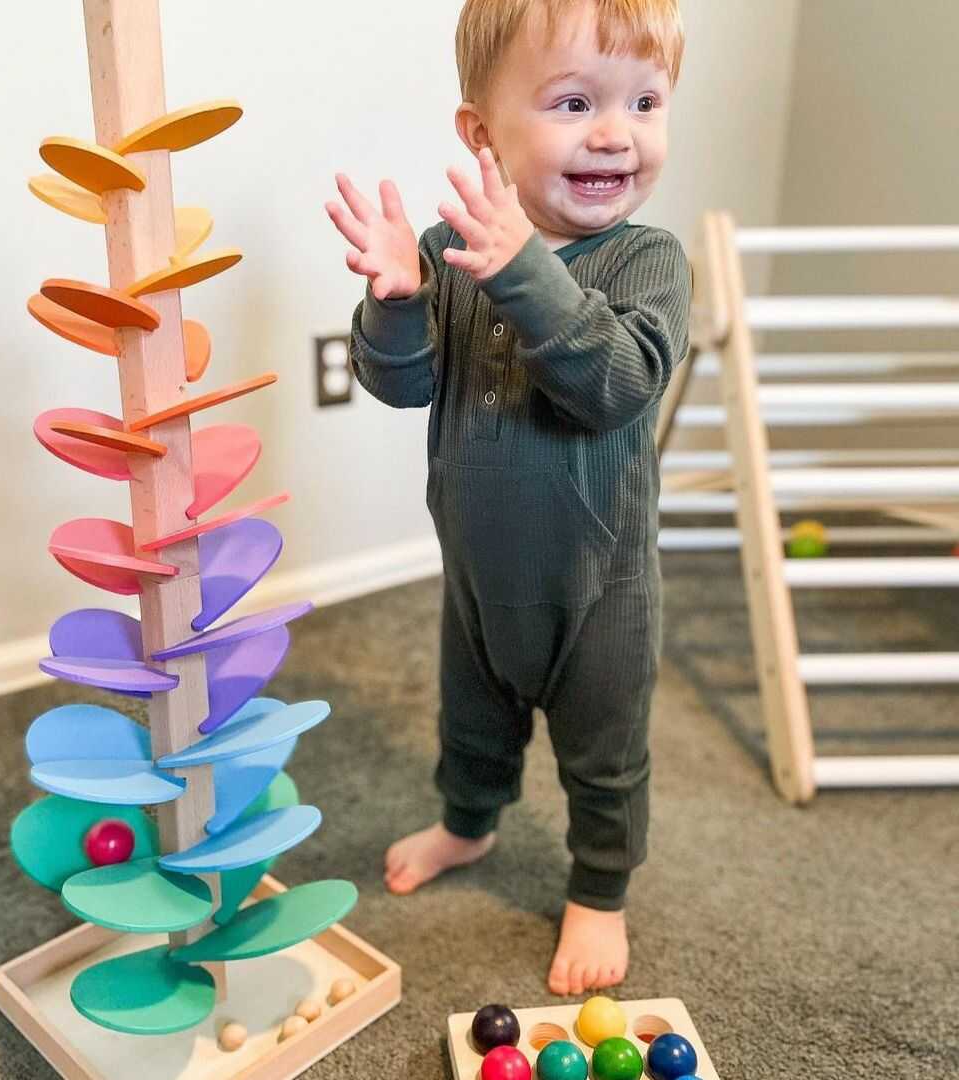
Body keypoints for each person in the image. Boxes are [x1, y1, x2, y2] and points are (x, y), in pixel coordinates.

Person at [325, 0, 690, 995]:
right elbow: (402, 384)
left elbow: (615, 382)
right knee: (471, 721)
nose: (617, 132)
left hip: (598, 589)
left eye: (646, 101)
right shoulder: (450, 250)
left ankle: (601, 889)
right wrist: (397, 301)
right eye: (575, 101)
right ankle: (468, 823)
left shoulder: (646, 261)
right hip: (479, 579)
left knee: (604, 749)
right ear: (482, 134)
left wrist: (526, 269)